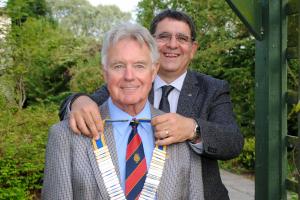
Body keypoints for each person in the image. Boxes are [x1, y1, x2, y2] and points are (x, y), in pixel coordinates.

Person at [59, 9, 244, 200]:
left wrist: (193, 129)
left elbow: (233, 141)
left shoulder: (212, 88)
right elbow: (83, 105)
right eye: (164, 36)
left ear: (193, 48)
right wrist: (77, 101)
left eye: (181, 38)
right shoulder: (129, 84)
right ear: (151, 45)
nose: (172, 45)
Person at [42, 22, 204, 200]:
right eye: (118, 66)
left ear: (154, 71)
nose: (129, 76)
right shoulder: (64, 136)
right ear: (105, 73)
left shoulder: (181, 132)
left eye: (139, 66)